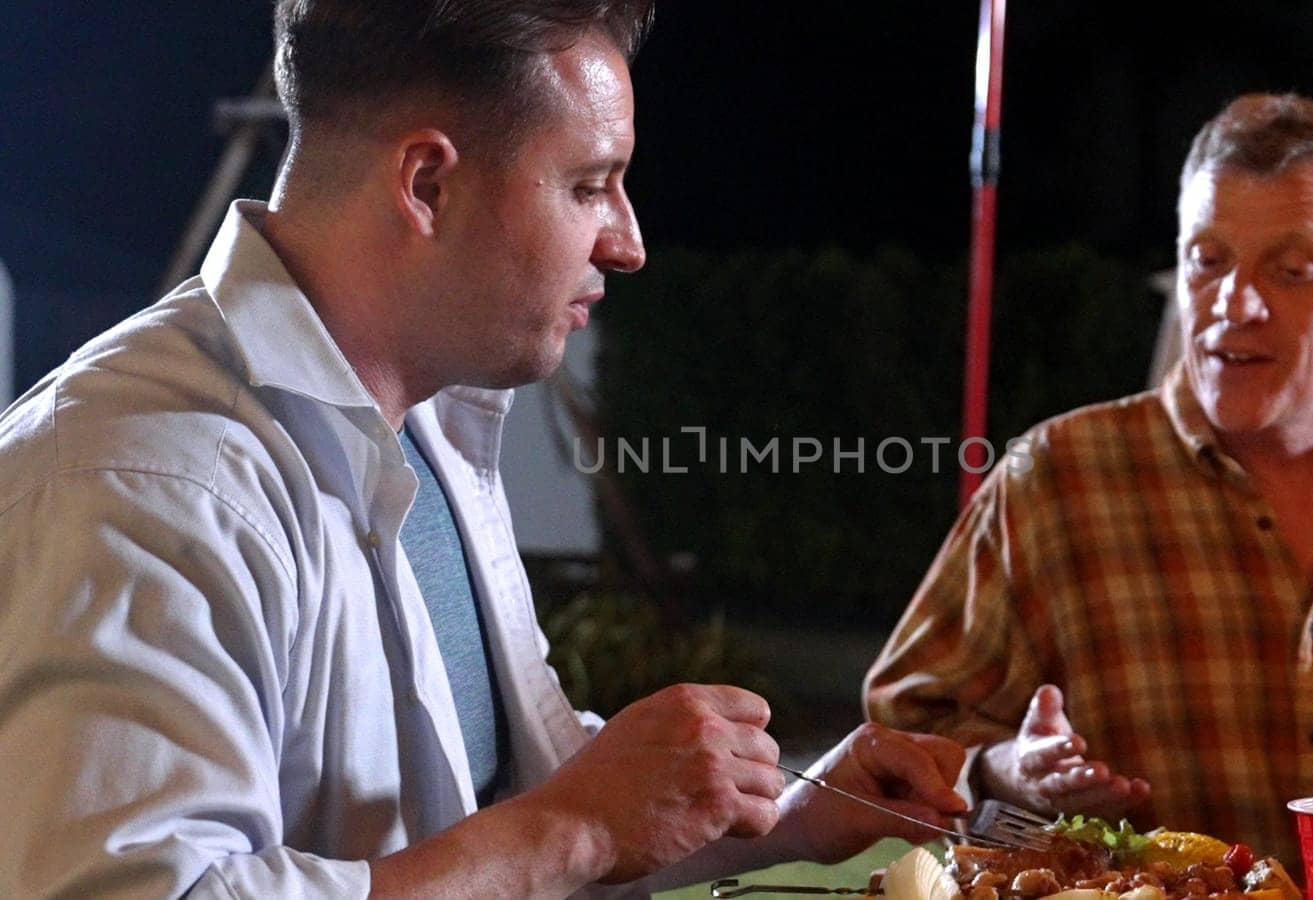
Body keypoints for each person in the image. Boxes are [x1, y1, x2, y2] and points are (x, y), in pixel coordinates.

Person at [0, 2, 969, 897]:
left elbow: (490, 820)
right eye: (591, 184)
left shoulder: (426, 425)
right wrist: (575, 826)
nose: (627, 241)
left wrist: (788, 815)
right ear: (428, 183)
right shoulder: (140, 479)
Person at [864, 93, 1313, 869]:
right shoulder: (1058, 480)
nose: (1232, 304)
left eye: (1291, 270)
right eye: (1206, 260)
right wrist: (1013, 772)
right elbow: (907, 740)